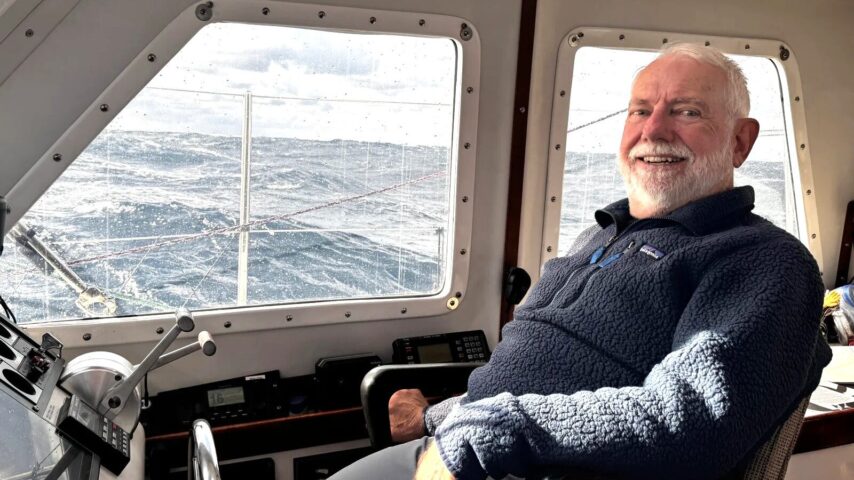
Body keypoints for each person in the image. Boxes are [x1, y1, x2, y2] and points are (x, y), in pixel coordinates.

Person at [330, 43, 830, 480]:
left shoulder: (765, 262)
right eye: (639, 111)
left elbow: (689, 418)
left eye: (687, 112)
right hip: (473, 449)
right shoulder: (598, 235)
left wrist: (493, 432)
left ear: (740, 141)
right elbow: (538, 378)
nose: (654, 130)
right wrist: (437, 418)